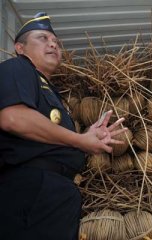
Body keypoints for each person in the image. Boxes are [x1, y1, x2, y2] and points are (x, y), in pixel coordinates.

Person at [0, 12, 127, 239]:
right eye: (42, 38)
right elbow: (13, 118)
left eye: (56, 42)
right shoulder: (17, 68)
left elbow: (51, 139)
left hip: (54, 191)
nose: (53, 44)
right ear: (20, 47)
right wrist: (79, 140)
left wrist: (88, 138)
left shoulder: (51, 92)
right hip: (30, 188)